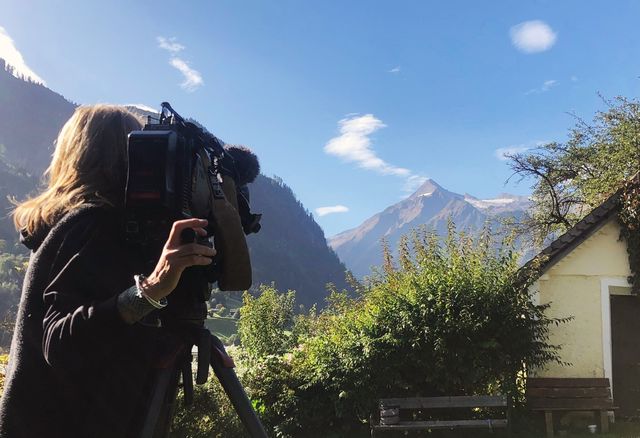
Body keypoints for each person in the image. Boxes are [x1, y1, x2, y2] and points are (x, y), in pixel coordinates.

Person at [0, 105, 216, 437]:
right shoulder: (91, 225)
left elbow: (108, 336)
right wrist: (151, 289)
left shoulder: (85, 229)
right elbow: (60, 344)